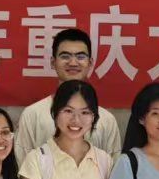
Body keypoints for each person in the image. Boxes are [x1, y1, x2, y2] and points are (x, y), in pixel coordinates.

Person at [15, 28, 122, 158]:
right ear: (53, 62)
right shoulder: (32, 115)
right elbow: (22, 164)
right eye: (65, 56)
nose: (73, 63)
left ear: (90, 63)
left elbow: (113, 167)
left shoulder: (106, 120)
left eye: (80, 57)